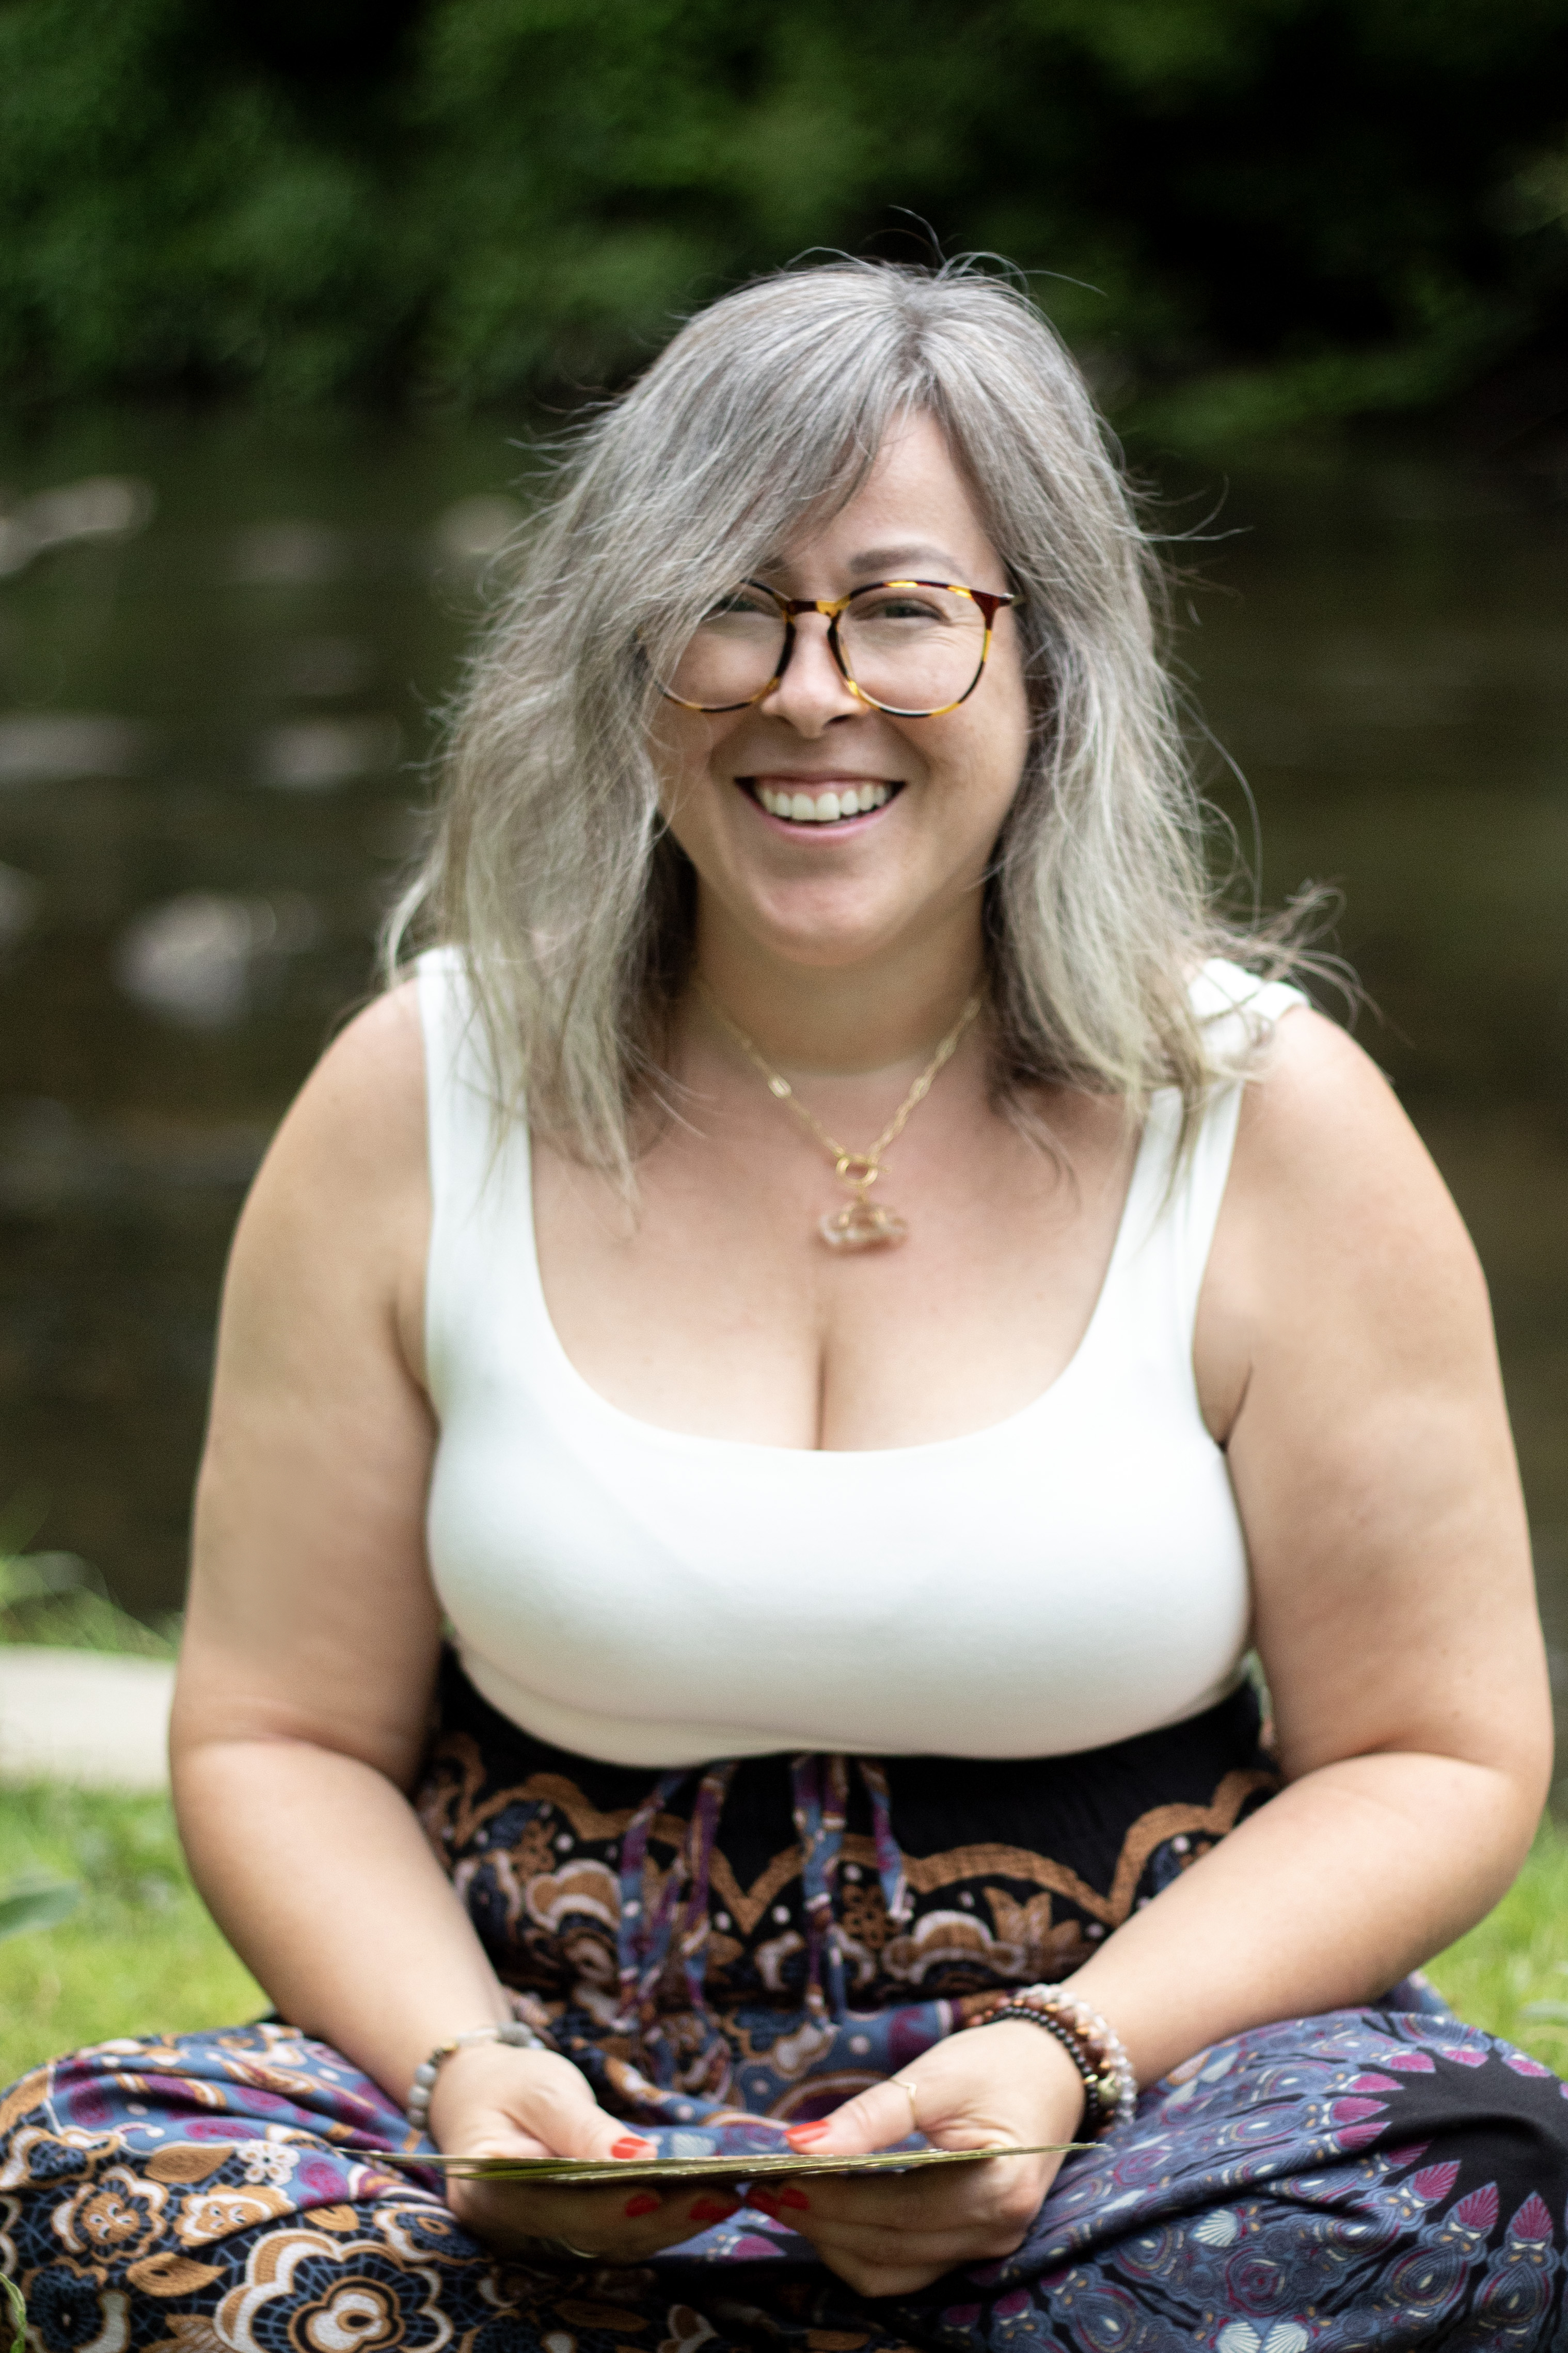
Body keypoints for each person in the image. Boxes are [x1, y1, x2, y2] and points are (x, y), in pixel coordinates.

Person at [3, 258, 1563, 2353]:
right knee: (112, 2181)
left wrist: (1064, 2057)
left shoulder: (1266, 1115)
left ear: (1050, 661)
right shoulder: (421, 1089)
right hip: (543, 2093)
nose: (807, 688)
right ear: (625, 658)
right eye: (729, 603)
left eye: (904, 608)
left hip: (1131, 2098)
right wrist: (471, 2078)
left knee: (1447, 2191)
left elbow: (1437, 1744)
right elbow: (280, 1724)